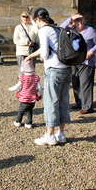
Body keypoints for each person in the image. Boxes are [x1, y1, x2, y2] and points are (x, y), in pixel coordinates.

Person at [24, 8, 72, 146]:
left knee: (51, 102)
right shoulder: (55, 29)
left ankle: (50, 135)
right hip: (66, 68)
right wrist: (30, 56)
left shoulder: (44, 30)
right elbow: (50, 48)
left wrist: (42, 57)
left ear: (38, 19)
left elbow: (44, 52)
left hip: (54, 70)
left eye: (35, 21)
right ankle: (61, 134)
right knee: (63, 101)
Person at [60, 13, 96, 114]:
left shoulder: (90, 30)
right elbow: (60, 28)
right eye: (77, 20)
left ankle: (87, 107)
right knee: (76, 83)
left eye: (81, 20)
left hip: (87, 61)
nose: (79, 22)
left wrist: (91, 52)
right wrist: (70, 18)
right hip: (75, 61)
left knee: (85, 84)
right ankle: (79, 103)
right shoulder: (71, 31)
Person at [8, 60, 43, 129]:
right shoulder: (36, 77)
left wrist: (10, 89)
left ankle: (18, 121)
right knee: (29, 110)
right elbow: (39, 87)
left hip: (24, 97)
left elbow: (17, 86)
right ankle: (29, 123)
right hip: (32, 97)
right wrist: (41, 94)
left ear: (23, 71)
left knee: (21, 110)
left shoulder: (22, 78)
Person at [13, 11, 39, 76]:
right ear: (21, 18)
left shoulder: (32, 26)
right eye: (23, 17)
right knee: (21, 69)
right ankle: (21, 84)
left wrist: (33, 21)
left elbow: (37, 32)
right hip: (21, 51)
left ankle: (31, 83)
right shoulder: (18, 27)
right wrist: (26, 42)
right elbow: (16, 40)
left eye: (27, 17)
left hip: (31, 51)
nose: (25, 18)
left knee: (31, 68)